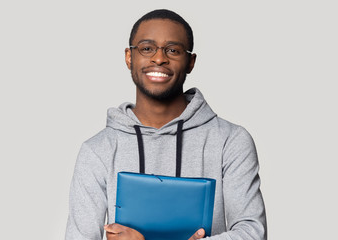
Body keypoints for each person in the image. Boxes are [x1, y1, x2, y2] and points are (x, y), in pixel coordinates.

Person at [65, 9, 267, 240]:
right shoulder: (97, 150)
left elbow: (253, 233)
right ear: (129, 57)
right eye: (147, 48)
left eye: (172, 50)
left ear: (190, 62)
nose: (159, 58)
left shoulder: (230, 141)